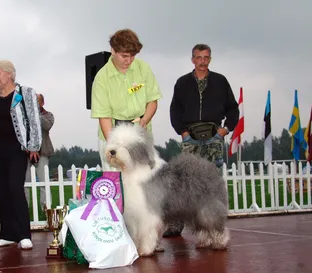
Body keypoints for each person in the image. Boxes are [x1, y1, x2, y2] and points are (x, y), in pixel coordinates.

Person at [167, 44, 239, 237]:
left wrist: (224, 130)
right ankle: (176, 224)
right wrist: (182, 132)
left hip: (213, 139)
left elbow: (233, 108)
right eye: (198, 57)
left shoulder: (220, 81)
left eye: (206, 57)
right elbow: (175, 110)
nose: (202, 61)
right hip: (190, 138)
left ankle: (213, 226)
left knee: (212, 185)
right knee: (184, 184)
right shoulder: (182, 83)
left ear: (210, 59)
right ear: (192, 60)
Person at [0, 60, 42, 250]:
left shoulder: (26, 93)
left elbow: (34, 121)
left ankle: (24, 235)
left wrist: (33, 145)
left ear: (10, 74)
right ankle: (8, 234)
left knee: (15, 188)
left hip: (16, 149)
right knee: (1, 191)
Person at [91, 28, 163, 170]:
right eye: (124, 56)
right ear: (113, 50)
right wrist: (115, 147)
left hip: (141, 136)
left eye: (132, 56)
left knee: (144, 183)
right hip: (113, 135)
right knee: (116, 184)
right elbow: (104, 117)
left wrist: (144, 120)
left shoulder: (144, 69)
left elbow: (152, 101)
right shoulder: (101, 79)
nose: (129, 60)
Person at [25, 93, 55, 212]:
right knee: (25, 182)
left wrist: (36, 114)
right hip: (25, 153)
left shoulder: (49, 115)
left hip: (43, 152)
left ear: (42, 103)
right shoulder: (24, 115)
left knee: (44, 182)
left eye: (37, 101)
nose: (34, 103)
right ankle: (24, 206)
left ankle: (46, 207)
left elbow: (47, 126)